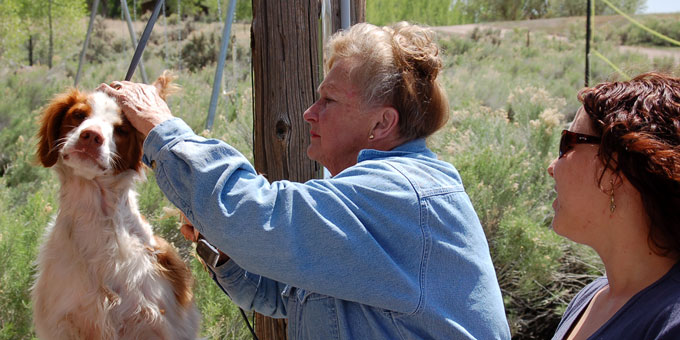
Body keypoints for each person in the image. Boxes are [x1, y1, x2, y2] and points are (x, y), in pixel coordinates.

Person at [99, 22, 510, 340]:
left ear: (382, 123)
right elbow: (288, 297)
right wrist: (226, 251)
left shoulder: (399, 192)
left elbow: (260, 216)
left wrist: (163, 129)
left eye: (329, 100)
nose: (310, 113)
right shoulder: (387, 194)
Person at [548, 72, 680, 340]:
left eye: (567, 144)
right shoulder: (591, 296)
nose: (552, 167)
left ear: (613, 169)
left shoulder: (671, 324)